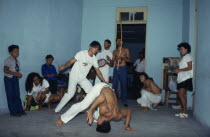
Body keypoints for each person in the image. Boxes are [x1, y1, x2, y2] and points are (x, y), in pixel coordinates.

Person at [54, 41, 108, 114]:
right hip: (74, 76)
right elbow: (70, 62)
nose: (95, 50)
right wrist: (64, 66)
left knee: (92, 92)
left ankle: (88, 108)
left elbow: (98, 71)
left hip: (82, 78)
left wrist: (104, 81)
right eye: (95, 48)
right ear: (90, 46)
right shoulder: (81, 53)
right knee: (70, 94)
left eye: (97, 49)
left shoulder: (94, 59)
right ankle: (56, 110)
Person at [4, 45, 27, 117]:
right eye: (15, 52)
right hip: (9, 79)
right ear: (10, 52)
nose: (17, 53)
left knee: (17, 95)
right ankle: (13, 111)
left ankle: (19, 110)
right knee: (10, 96)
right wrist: (16, 74)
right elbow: (5, 70)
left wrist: (18, 75)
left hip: (15, 79)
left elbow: (16, 70)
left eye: (18, 51)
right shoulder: (8, 60)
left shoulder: (17, 61)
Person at [173, 42, 193, 118]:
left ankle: (185, 112)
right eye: (180, 49)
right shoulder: (185, 57)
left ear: (186, 49)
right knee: (181, 95)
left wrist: (179, 70)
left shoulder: (188, 56)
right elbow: (185, 68)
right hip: (182, 79)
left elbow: (190, 67)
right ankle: (183, 111)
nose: (180, 51)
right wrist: (178, 70)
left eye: (181, 49)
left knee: (181, 95)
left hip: (186, 78)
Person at [109, 38, 131, 107]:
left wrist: (122, 58)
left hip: (123, 68)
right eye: (117, 41)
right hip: (116, 68)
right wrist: (110, 60)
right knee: (114, 85)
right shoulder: (114, 51)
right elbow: (112, 62)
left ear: (122, 42)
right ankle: (114, 100)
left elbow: (129, 60)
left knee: (123, 84)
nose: (119, 42)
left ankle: (124, 100)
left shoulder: (126, 50)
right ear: (116, 42)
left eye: (120, 40)